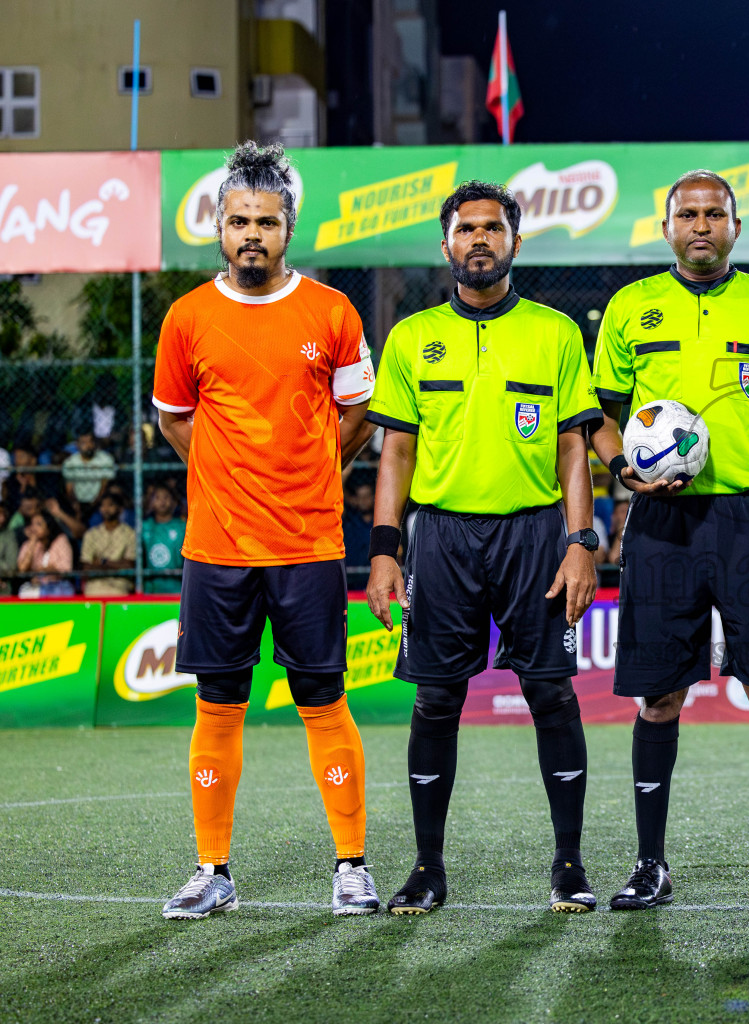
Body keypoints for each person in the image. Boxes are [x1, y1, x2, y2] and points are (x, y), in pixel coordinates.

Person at [152, 141, 380, 920]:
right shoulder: (186, 318)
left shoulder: (332, 312)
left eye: (267, 222)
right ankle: (212, 870)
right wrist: (226, 477)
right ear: (219, 226)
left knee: (323, 697)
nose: (253, 233)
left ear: (291, 228)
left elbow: (357, 418)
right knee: (218, 704)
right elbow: (173, 419)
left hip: (310, 544)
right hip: (216, 548)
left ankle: (351, 865)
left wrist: (309, 468)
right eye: (239, 220)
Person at [589, 169, 749, 910]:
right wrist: (623, 467)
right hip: (662, 526)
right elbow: (597, 418)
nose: (701, 225)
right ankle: (649, 864)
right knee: (659, 696)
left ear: (734, 225)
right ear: (666, 228)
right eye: (686, 213)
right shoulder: (631, 309)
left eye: (714, 213)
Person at [364, 180, 603, 916]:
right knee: (436, 701)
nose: (478, 239)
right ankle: (427, 868)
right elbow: (396, 455)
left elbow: (573, 449)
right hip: (440, 537)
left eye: (492, 228)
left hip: (534, 534)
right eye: (465, 228)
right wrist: (384, 550)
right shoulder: (410, 338)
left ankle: (568, 864)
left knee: (552, 694)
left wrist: (581, 541)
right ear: (446, 245)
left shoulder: (556, 332)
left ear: (515, 243)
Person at [79, 492, 135, 596]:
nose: (106, 509)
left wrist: (101, 562)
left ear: (120, 509)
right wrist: (116, 564)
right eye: (103, 505)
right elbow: (86, 569)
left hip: (119, 586)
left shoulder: (130, 534)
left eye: (110, 505)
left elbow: (129, 566)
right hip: (94, 586)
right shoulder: (91, 534)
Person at [142, 482, 186, 594]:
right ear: (151, 503)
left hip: (176, 586)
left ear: (174, 502)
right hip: (151, 587)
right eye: (157, 498)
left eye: (166, 497)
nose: (162, 501)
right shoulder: (145, 526)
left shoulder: (182, 526)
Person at [16, 512, 74, 597]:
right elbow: (22, 568)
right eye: (32, 524)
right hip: (36, 586)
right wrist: (32, 543)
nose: (34, 528)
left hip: (58, 585)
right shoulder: (28, 544)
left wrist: (45, 570)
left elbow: (66, 568)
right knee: (25, 592)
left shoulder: (61, 540)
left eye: (38, 524)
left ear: (48, 528)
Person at [62, 431, 116, 507]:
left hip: (100, 502)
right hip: (77, 502)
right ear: (77, 445)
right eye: (84, 443)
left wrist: (95, 503)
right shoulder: (70, 462)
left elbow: (105, 486)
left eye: (91, 442)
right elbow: (69, 489)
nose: (88, 445)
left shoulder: (106, 459)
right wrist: (75, 505)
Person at [341, 478, 374, 581]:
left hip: (373, 579)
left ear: (373, 497)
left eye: (366, 496)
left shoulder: (379, 521)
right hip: (351, 581)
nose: (363, 500)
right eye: (360, 497)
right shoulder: (350, 521)